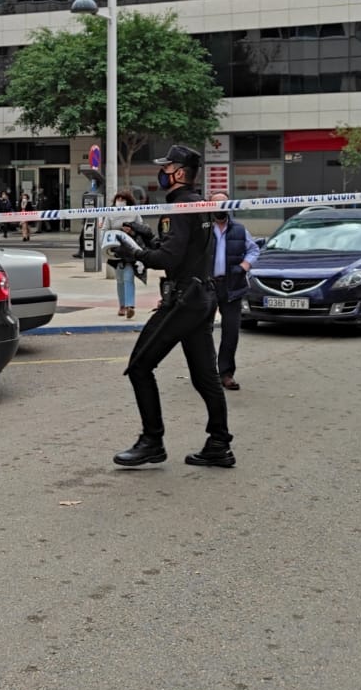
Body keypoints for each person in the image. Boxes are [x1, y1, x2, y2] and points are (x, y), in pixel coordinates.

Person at [106, 145, 234, 469]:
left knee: (139, 366)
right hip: (201, 297)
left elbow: (168, 258)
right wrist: (147, 234)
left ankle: (152, 441)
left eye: (166, 167)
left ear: (178, 173)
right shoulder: (200, 204)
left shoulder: (179, 207)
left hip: (183, 301)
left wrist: (132, 252)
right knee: (206, 377)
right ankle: (219, 444)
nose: (161, 172)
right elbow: (182, 248)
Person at [209, 193, 260, 391]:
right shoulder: (202, 229)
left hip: (233, 286)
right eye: (215, 203)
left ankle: (226, 373)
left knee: (231, 333)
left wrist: (245, 266)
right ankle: (207, 374)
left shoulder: (239, 229)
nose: (219, 207)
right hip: (208, 287)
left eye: (223, 203)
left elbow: (254, 249)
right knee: (204, 333)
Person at [110, 190, 142, 319]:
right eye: (118, 199)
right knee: (119, 279)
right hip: (115, 250)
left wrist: (132, 231)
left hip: (130, 250)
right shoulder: (110, 213)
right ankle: (122, 305)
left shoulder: (134, 213)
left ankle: (130, 306)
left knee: (128, 277)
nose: (120, 202)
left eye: (123, 200)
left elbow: (142, 229)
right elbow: (104, 229)